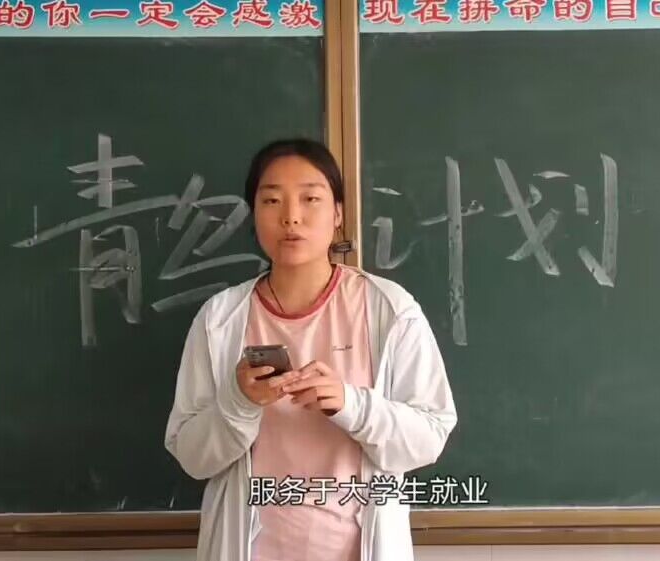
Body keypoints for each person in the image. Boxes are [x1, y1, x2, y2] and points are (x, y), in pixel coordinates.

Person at [163, 138, 457, 561]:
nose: (291, 217)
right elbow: (192, 456)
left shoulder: (389, 309)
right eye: (272, 200)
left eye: (310, 198)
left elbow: (429, 436)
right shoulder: (220, 319)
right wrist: (239, 401)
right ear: (253, 214)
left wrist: (351, 404)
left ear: (337, 213)